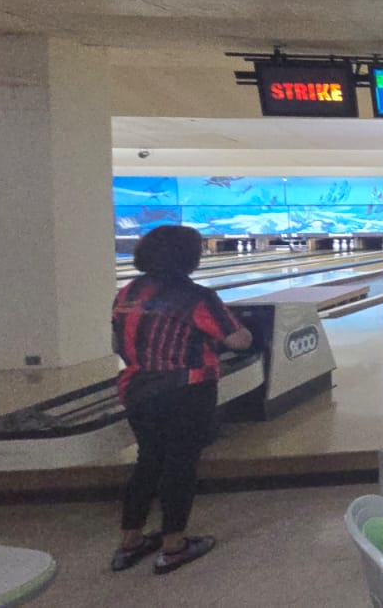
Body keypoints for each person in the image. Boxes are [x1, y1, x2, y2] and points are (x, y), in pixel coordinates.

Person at [110, 225, 252, 574]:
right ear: (187, 257)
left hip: (137, 388)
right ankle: (174, 545)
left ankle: (130, 540)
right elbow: (237, 341)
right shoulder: (195, 296)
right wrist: (245, 332)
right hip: (187, 389)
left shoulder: (127, 293)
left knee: (149, 460)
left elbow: (118, 344)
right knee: (180, 463)